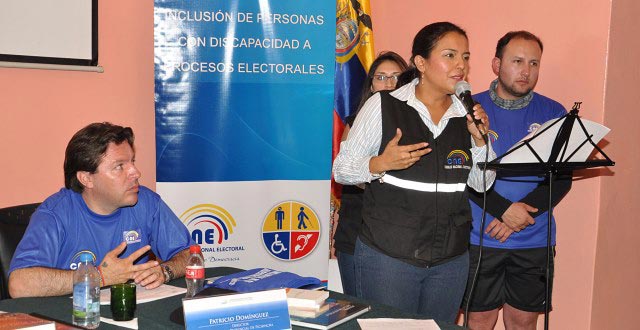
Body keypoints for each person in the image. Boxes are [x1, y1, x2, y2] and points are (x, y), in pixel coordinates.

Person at [332, 22, 496, 323]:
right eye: (450, 55)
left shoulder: (467, 114)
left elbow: (482, 183)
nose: (461, 65)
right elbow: (341, 170)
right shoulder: (384, 105)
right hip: (389, 259)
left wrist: (478, 140)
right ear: (421, 63)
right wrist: (379, 163)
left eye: (466, 56)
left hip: (450, 261)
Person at [8, 122, 194, 298]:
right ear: (87, 179)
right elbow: (19, 285)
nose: (136, 173)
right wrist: (99, 276)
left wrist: (165, 271)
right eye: (119, 166)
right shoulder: (54, 214)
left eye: (132, 162)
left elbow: (191, 255)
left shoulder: (146, 202)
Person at [463, 31, 572, 330]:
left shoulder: (554, 113)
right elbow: (459, 174)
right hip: (479, 237)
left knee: (523, 322)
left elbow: (561, 179)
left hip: (534, 238)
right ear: (497, 65)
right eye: (518, 61)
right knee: (478, 321)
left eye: (534, 63)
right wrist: (502, 210)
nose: (526, 71)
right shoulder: (469, 110)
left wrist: (520, 211)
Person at [333, 51, 408, 296]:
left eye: (397, 76)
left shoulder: (419, 124)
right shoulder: (355, 123)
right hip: (357, 228)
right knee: (359, 311)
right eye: (381, 77)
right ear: (371, 84)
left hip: (404, 235)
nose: (389, 83)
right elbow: (343, 171)